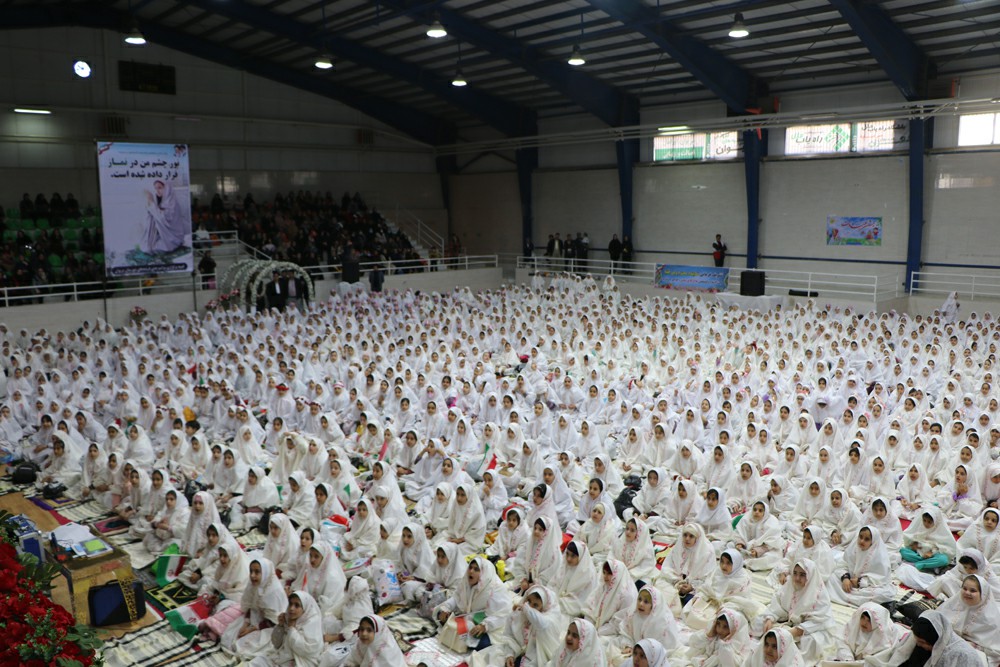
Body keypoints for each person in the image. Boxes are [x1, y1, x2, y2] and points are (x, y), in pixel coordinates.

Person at [143, 179, 187, 254]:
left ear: (167, 188)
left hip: (173, 238)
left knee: (158, 248)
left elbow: (164, 219)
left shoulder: (172, 204)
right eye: (156, 188)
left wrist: (152, 204)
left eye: (160, 188)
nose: (157, 191)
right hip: (163, 237)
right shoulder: (162, 202)